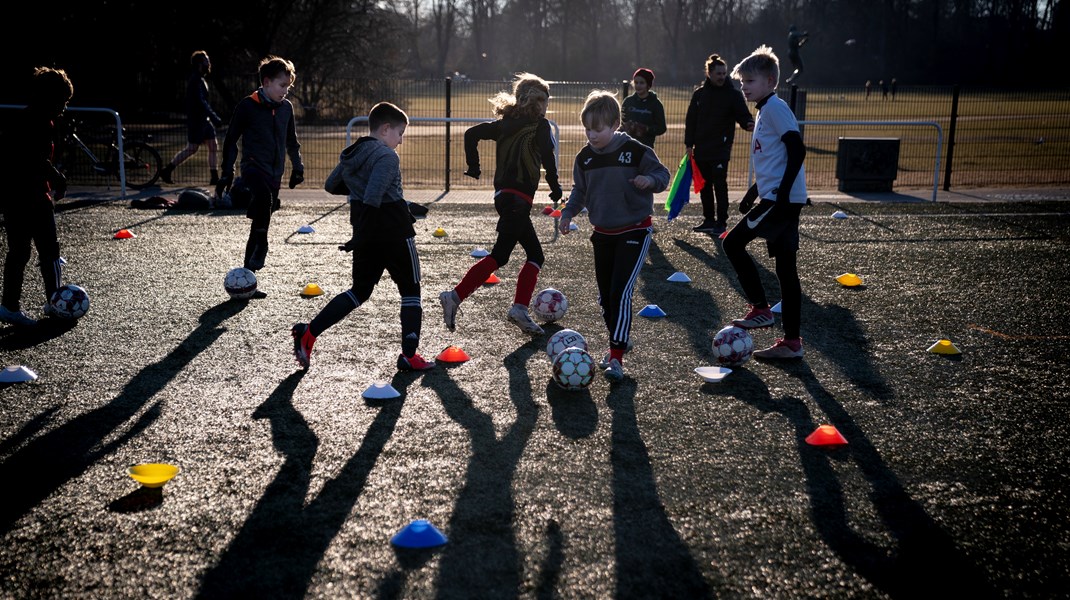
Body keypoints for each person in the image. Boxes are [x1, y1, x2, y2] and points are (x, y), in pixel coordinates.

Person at [291, 102, 434, 372]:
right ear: (385, 129)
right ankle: (409, 355)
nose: (400, 141)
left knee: (359, 291)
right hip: (394, 232)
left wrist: (364, 231)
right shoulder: (387, 156)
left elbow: (331, 185)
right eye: (400, 133)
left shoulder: (352, 151)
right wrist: (393, 207)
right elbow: (374, 197)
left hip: (365, 231)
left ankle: (309, 332)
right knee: (411, 290)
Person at [557, 90, 670, 381]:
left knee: (620, 293)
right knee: (606, 298)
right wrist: (568, 214)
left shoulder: (635, 150)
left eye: (598, 129)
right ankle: (621, 338)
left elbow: (662, 175)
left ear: (615, 125)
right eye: (587, 129)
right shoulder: (584, 158)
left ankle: (616, 356)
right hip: (602, 233)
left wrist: (649, 180)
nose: (591, 135)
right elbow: (580, 191)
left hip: (635, 230)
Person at [438, 72, 562, 336]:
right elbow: (549, 160)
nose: (545, 107)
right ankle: (457, 297)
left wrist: (474, 166)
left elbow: (471, 134)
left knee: (530, 255)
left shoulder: (504, 124)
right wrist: (555, 187)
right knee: (501, 255)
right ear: (534, 101)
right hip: (518, 201)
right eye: (543, 101)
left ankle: (515, 308)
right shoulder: (541, 127)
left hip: (504, 198)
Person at [723, 45, 809, 359]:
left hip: (780, 201)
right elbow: (777, 160)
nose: (744, 87)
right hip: (778, 197)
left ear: (770, 81)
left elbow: (797, 150)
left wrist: (782, 194)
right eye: (742, 82)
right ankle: (792, 342)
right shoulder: (765, 110)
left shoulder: (774, 108)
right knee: (786, 269)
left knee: (732, 244)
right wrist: (752, 192)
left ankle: (760, 309)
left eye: (750, 81)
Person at [216, 56, 304, 298]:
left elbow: (291, 142)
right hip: (253, 168)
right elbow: (231, 139)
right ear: (266, 82)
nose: (285, 91)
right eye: (281, 85)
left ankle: (247, 279)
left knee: (259, 222)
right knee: (263, 202)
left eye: (288, 86)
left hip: (275, 174)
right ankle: (263, 246)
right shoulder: (247, 106)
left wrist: (298, 167)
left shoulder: (286, 108)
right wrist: (227, 172)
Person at [0, 67, 73, 327]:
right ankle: (55, 303)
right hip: (31, 194)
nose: (63, 108)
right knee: (50, 251)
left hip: (12, 195)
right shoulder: (40, 122)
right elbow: (34, 159)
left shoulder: (22, 119)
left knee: (18, 252)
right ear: (50, 98)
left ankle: (9, 306)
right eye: (62, 102)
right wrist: (57, 177)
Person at [684, 53, 755, 235]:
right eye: (719, 73)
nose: (722, 77)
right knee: (704, 186)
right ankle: (708, 219)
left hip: (720, 149)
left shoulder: (732, 94)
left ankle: (721, 222)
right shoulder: (699, 94)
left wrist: (748, 123)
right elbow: (691, 120)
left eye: (724, 73)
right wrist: (689, 144)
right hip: (701, 149)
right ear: (709, 73)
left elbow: (743, 114)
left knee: (720, 184)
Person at [159, 50, 224, 186]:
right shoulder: (195, 80)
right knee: (192, 148)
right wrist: (214, 117)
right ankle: (167, 170)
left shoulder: (200, 79)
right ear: (200, 63)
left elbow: (203, 102)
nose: (209, 63)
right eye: (206, 60)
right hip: (197, 122)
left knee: (213, 146)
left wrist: (211, 117)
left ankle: (214, 177)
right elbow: (201, 102)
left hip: (205, 121)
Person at [620, 68, 667, 149]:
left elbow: (662, 128)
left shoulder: (656, 104)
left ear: (648, 85)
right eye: (636, 82)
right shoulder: (627, 101)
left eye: (642, 83)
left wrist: (647, 129)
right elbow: (620, 123)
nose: (638, 85)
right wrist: (626, 127)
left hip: (646, 148)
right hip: (627, 146)